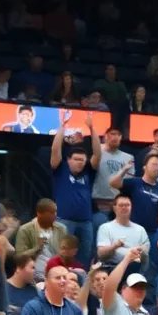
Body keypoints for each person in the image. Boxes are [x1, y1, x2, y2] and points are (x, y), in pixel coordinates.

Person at [49, 110, 101, 266]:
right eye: (76, 159)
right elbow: (55, 150)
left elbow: (97, 154)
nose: (80, 162)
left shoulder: (88, 172)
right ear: (69, 160)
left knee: (85, 256)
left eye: (82, 160)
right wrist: (62, 126)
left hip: (85, 221)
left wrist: (92, 130)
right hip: (63, 220)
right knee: (60, 255)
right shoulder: (61, 169)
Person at [15, 199, 67, 282]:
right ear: (39, 214)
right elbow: (19, 257)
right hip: (34, 272)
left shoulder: (61, 229)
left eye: (55, 212)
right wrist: (36, 248)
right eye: (50, 212)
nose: (54, 215)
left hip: (57, 269)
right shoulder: (25, 229)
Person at [96, 194, 151, 268]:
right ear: (114, 208)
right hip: (112, 267)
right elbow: (101, 254)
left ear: (131, 207)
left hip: (135, 268)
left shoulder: (140, 229)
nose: (124, 208)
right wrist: (115, 246)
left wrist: (139, 250)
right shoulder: (105, 228)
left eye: (127, 205)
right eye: (121, 205)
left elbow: (145, 252)